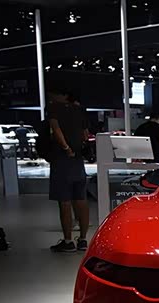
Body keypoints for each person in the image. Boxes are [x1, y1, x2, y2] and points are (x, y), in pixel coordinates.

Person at [47, 83, 91, 253]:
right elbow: (85, 134)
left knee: (64, 201)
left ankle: (68, 241)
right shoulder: (79, 110)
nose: (51, 97)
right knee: (81, 199)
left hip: (62, 159)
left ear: (62, 95)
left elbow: (55, 128)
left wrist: (66, 148)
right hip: (78, 161)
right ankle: (83, 239)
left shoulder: (54, 108)